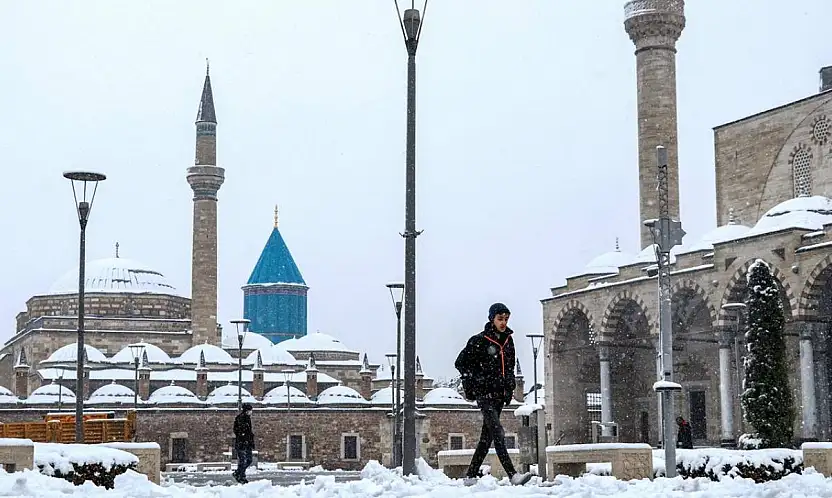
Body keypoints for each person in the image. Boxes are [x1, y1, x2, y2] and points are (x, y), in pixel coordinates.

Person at [455, 303, 532, 486]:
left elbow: (510, 367)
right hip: (485, 394)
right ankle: (513, 475)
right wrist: (474, 382)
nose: (503, 322)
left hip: (499, 395)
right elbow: (461, 363)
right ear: (492, 319)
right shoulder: (479, 340)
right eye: (500, 319)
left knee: (486, 437)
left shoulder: (508, 341)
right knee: (498, 431)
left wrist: (509, 387)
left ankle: (470, 475)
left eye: (506, 319)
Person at [233, 403, 255, 483]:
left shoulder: (248, 418)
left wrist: (251, 442)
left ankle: (238, 473)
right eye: (250, 410)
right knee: (243, 461)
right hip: (241, 443)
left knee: (249, 460)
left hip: (247, 443)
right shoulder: (240, 418)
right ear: (246, 410)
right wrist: (243, 437)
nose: (251, 412)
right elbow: (237, 430)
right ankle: (241, 476)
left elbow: (249, 432)